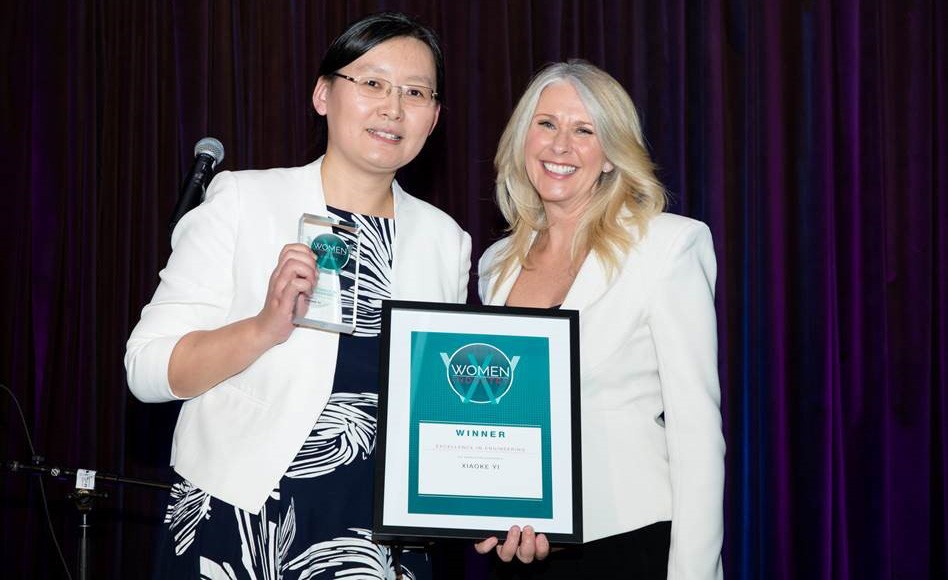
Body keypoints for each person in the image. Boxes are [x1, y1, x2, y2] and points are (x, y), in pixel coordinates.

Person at [125, 12, 470, 579]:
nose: (392, 107)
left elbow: (438, 407)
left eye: (415, 92)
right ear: (323, 94)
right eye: (372, 83)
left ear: (433, 117)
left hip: (381, 537)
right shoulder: (242, 200)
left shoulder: (445, 240)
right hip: (242, 519)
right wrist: (263, 328)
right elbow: (146, 369)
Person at [474, 61, 724, 579]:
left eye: (584, 130)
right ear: (523, 139)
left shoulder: (667, 245)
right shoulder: (494, 265)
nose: (560, 145)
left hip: (630, 543)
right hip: (523, 551)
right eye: (546, 124)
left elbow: (696, 432)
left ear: (611, 154)